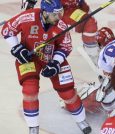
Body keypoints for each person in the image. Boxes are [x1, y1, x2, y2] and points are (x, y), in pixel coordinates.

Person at [1, 0, 92, 134]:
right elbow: (7, 30)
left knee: (67, 92)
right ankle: (33, 127)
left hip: (52, 58)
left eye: (60, 13)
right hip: (29, 58)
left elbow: (66, 46)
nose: (59, 17)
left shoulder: (61, 25)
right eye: (55, 15)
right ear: (44, 12)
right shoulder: (28, 16)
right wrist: (17, 48)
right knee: (30, 90)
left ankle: (81, 120)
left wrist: (55, 63)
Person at [22, 0, 99, 65]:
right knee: (89, 23)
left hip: (71, 9)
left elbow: (80, 3)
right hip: (56, 12)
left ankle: (93, 49)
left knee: (90, 23)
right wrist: (28, 19)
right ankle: (94, 56)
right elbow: (28, 5)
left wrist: (88, 12)